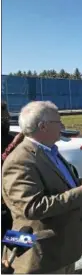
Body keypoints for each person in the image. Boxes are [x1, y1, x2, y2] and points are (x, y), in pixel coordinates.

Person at [1, 101, 82, 274]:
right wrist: (80, 192)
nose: (63, 126)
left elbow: (55, 183)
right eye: (58, 122)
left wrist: (78, 183)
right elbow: (32, 207)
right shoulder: (21, 160)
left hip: (62, 250)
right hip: (43, 255)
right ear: (43, 127)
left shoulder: (50, 151)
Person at [1, 101, 24, 251]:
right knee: (18, 241)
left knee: (22, 240)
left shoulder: (10, 139)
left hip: (10, 201)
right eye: (4, 117)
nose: (7, 118)